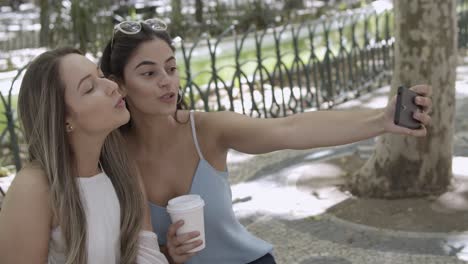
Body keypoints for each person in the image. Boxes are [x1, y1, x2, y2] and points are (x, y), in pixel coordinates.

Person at [100, 19, 432, 264]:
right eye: (149, 73)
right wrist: (166, 254)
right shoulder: (109, 156)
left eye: (171, 68)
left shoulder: (206, 130)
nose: (166, 82)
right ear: (119, 85)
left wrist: (380, 121)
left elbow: (289, 129)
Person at [0, 47, 169, 264]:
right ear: (64, 119)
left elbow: (148, 255)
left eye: (100, 76)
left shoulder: (121, 167)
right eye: (89, 88)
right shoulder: (35, 186)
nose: (111, 86)